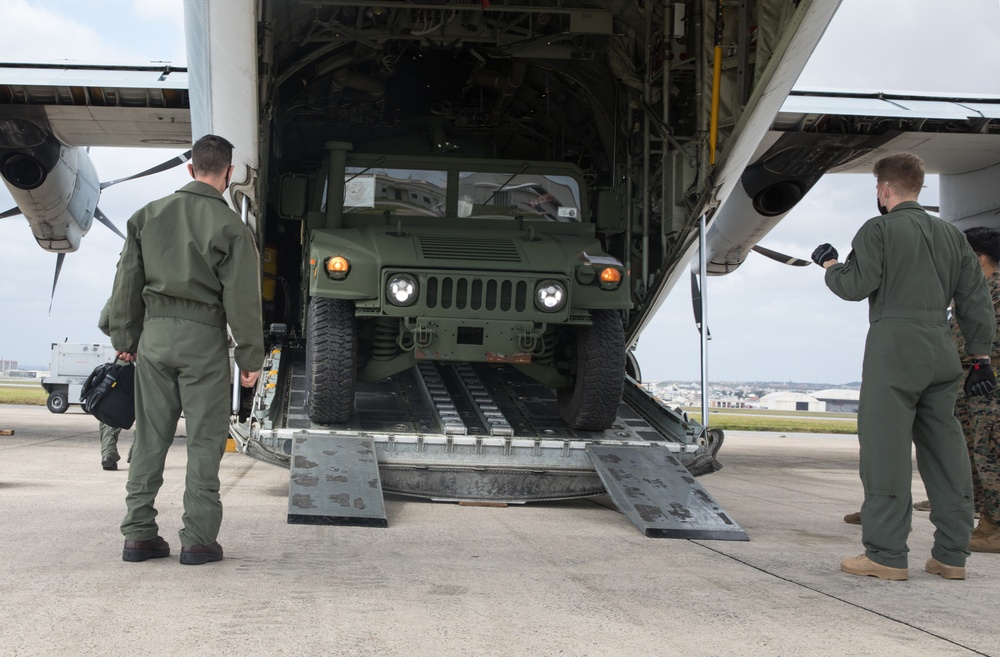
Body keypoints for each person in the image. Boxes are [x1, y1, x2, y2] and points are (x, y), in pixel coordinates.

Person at [811, 152, 996, 581]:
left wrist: (830, 264)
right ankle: (951, 555)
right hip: (942, 348)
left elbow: (855, 287)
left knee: (885, 453)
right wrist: (981, 357)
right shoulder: (953, 237)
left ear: (882, 188)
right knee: (946, 452)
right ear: (919, 186)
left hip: (895, 346)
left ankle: (887, 555)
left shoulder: (878, 229)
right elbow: (976, 301)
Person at [109, 134, 265, 566]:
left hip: (154, 338)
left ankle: (138, 535)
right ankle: (197, 539)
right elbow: (243, 301)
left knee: (150, 438)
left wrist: (125, 339)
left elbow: (126, 283)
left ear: (190, 168)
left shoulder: (147, 215)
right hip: (204, 341)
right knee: (205, 440)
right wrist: (251, 357)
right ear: (229, 173)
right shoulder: (233, 227)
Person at [843, 227, 1000, 554]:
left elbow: (855, 286)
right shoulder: (971, 287)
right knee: (959, 454)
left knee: (981, 456)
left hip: (982, 391)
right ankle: (954, 541)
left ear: (980, 258)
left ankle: (890, 535)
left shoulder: (992, 290)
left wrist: (833, 267)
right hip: (964, 383)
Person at [952, 227, 1000, 552]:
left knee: (988, 456)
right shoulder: (976, 292)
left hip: (989, 392)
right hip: (972, 392)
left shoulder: (994, 292)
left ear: (979, 258)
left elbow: (979, 341)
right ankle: (987, 523)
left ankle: (995, 527)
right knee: (974, 457)